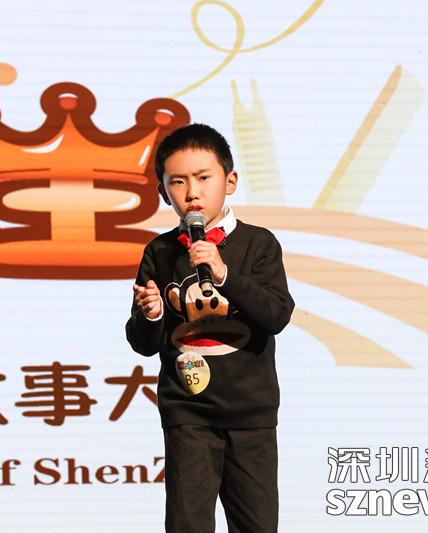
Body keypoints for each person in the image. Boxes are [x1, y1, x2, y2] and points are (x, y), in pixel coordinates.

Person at [125, 123, 295, 533]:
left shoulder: (258, 244)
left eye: (203, 178)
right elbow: (143, 343)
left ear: (230, 181)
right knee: (187, 523)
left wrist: (224, 275)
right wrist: (151, 315)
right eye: (178, 182)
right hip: (188, 410)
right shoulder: (160, 251)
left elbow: (276, 315)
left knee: (256, 524)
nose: (192, 193)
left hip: (250, 411)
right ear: (163, 192)